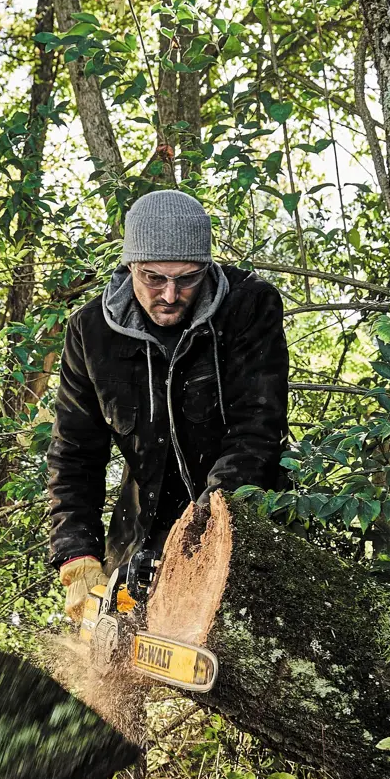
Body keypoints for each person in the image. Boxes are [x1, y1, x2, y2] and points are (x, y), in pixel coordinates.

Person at [49, 189, 289, 619]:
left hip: (236, 517)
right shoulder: (90, 331)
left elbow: (257, 428)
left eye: (188, 278)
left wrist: (208, 527)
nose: (171, 294)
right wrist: (76, 552)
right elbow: (74, 453)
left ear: (208, 267)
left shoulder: (249, 306)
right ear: (129, 267)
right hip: (139, 528)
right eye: (154, 278)